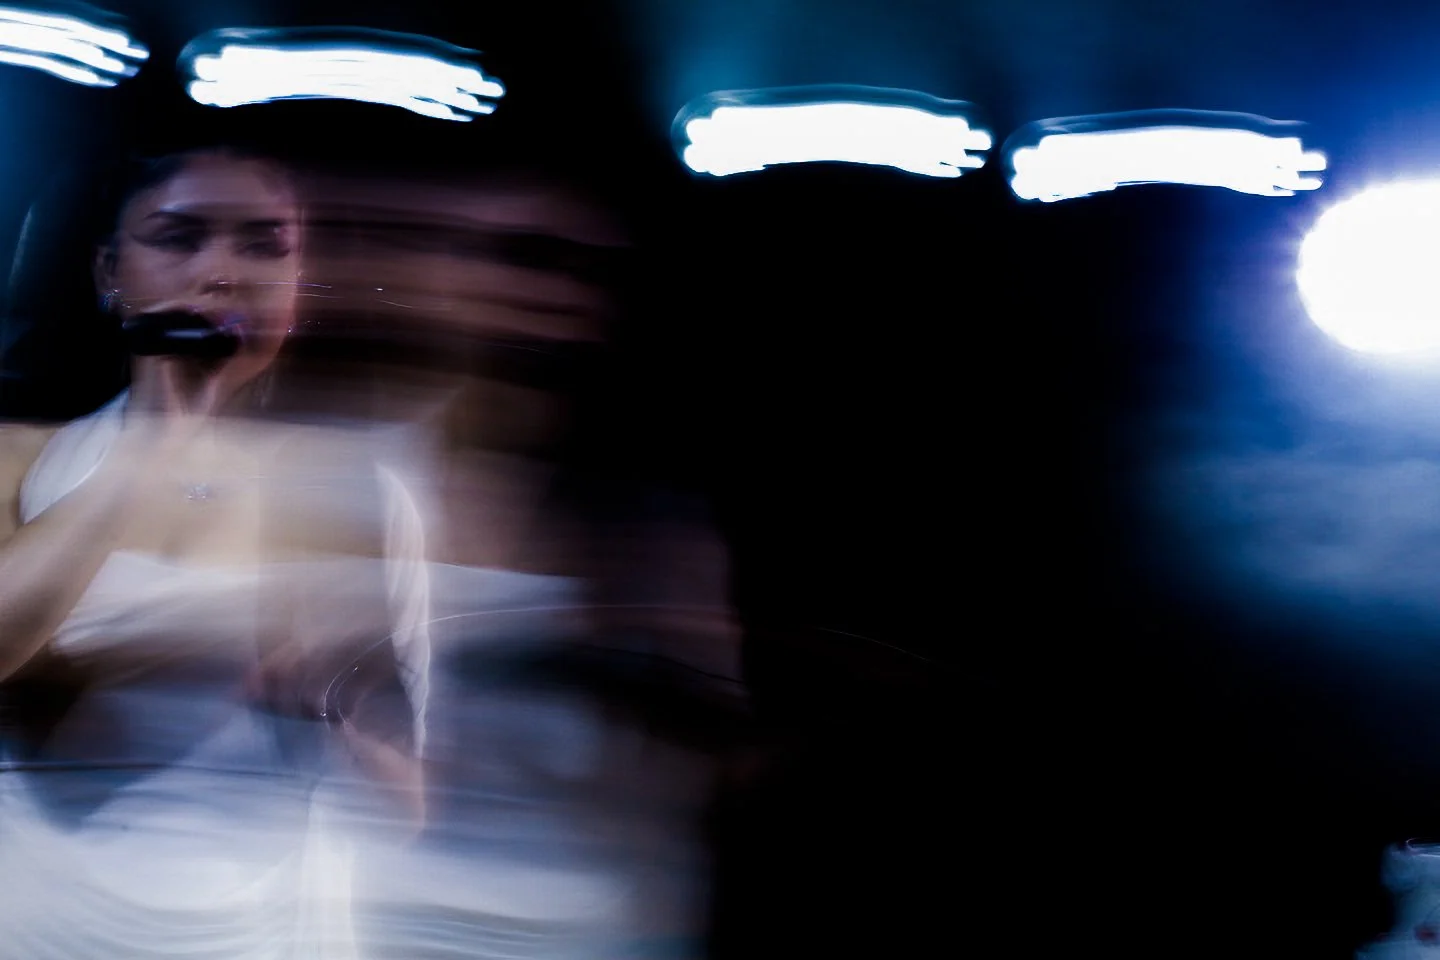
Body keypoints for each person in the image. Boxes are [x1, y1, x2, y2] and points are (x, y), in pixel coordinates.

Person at [0, 144, 431, 959]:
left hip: (262, 934)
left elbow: (406, 812)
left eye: (264, 245)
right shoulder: (21, 458)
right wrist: (158, 443)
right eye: (179, 238)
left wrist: (322, 696)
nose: (223, 272)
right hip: (35, 922)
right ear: (108, 273)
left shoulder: (358, 492)